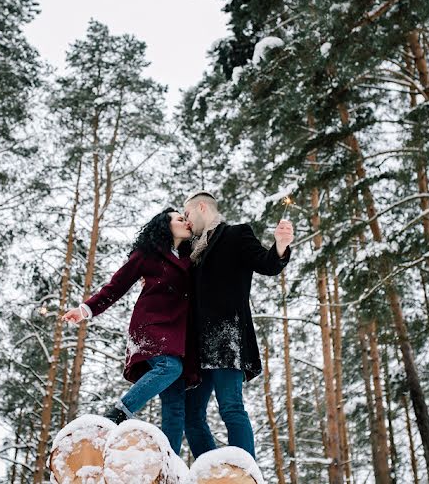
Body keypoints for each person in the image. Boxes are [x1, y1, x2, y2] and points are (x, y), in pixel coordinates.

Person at [62, 207, 196, 454]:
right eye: (179, 219)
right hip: (151, 326)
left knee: (176, 404)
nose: (185, 222)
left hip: (180, 336)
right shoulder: (148, 255)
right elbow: (116, 286)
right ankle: (118, 414)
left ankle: (170, 464)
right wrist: (85, 310)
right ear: (165, 226)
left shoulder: (191, 259)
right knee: (169, 368)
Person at [181, 191, 293, 459]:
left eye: (186, 215)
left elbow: (266, 264)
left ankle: (243, 473)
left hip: (225, 335)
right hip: (195, 343)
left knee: (230, 407)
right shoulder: (188, 249)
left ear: (201, 207)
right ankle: (213, 473)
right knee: (191, 415)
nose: (186, 222)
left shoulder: (236, 235)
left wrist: (280, 246)